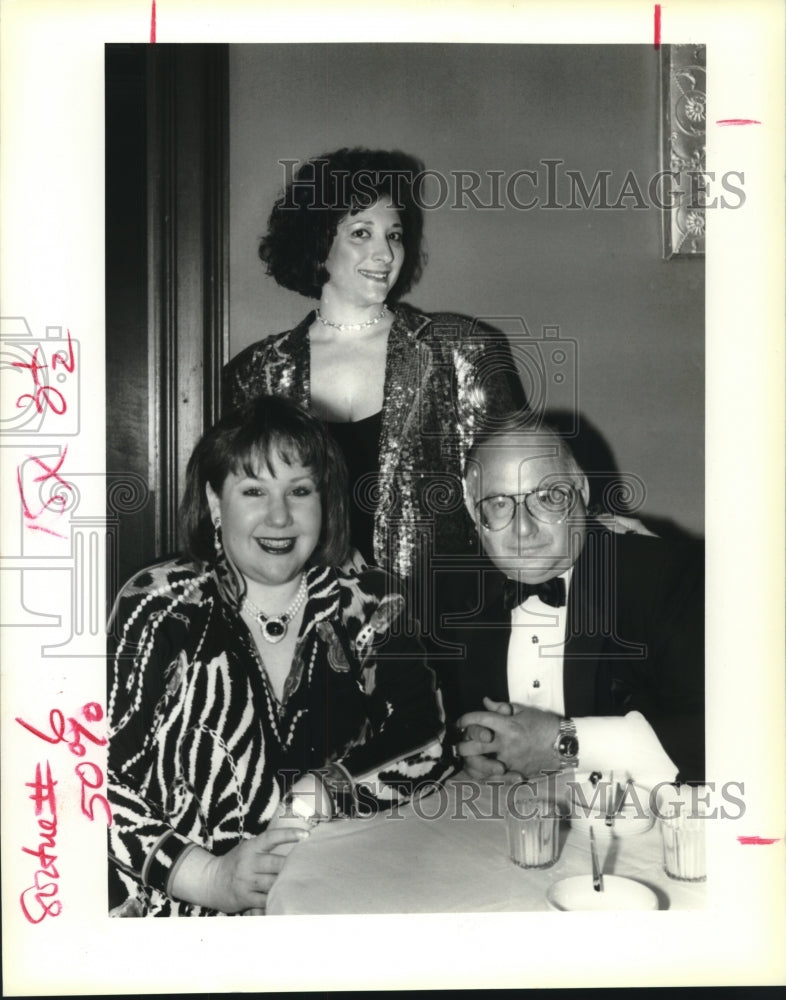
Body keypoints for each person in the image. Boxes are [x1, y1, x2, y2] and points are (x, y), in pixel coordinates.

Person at [107, 395, 454, 917]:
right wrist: (209, 877)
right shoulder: (157, 606)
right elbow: (91, 779)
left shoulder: (370, 600)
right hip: (177, 924)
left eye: (299, 490)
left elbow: (428, 739)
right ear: (215, 503)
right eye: (253, 490)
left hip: (331, 903)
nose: (279, 516)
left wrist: (323, 790)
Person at [223, 147, 528, 582]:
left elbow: (525, 477)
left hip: (441, 624)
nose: (385, 254)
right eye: (361, 233)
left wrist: (596, 530)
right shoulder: (255, 373)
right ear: (317, 244)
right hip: (306, 624)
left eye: (395, 235)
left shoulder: (459, 348)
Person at [433, 418, 704, 787]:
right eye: (498, 503)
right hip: (495, 821)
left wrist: (564, 743)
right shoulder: (447, 591)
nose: (523, 528)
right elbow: (419, 721)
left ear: (583, 491)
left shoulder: (664, 575)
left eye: (549, 497)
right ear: (472, 512)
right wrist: (464, 746)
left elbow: (728, 732)